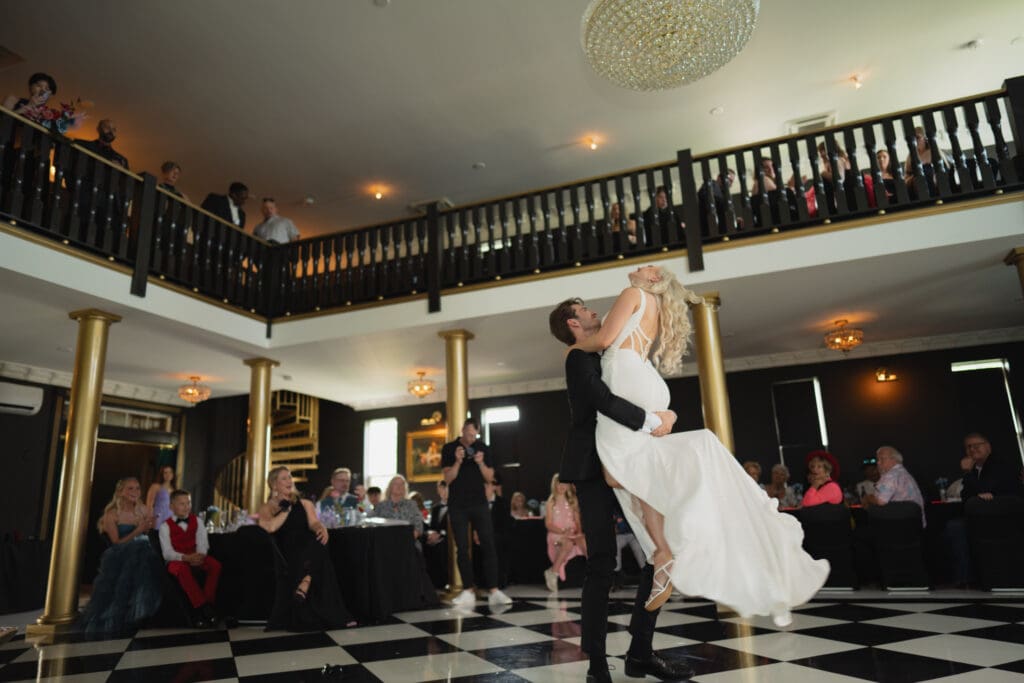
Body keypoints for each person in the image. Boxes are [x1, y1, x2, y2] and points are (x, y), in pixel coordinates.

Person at [559, 264, 828, 627]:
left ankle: (667, 549)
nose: (640, 266)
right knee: (639, 470)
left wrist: (572, 351)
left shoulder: (632, 295)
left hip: (626, 377)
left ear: (653, 279)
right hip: (643, 377)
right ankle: (666, 547)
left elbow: (606, 339)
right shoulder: (651, 302)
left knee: (619, 471)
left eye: (648, 267)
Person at [548, 293, 691, 683]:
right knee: (602, 563)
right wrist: (650, 420)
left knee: (655, 550)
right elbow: (601, 400)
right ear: (573, 324)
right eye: (585, 311)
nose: (595, 312)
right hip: (594, 468)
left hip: (631, 458)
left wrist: (668, 413)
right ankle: (597, 665)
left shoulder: (612, 351)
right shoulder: (577, 357)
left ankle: (640, 654)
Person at [258, 466, 353, 631]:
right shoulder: (268, 507)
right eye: (284, 478)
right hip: (287, 551)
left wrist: (320, 527)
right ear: (274, 485)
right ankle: (309, 582)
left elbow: (313, 523)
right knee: (318, 552)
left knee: (320, 540)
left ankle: (305, 581)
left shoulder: (305, 503)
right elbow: (270, 527)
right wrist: (286, 509)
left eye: (289, 477)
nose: (289, 481)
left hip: (308, 546)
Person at [441, 418, 512, 609]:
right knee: (462, 548)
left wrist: (480, 463)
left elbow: (490, 477)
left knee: (488, 544)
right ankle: (468, 591)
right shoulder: (449, 448)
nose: (472, 439)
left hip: (479, 503)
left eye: (475, 435)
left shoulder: (483, 448)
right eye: (469, 434)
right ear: (463, 429)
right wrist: (457, 461)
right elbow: (447, 478)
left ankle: (494, 590)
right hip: (457, 505)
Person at [80, 477, 163, 634]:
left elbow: (149, 533)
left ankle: (147, 614)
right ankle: (129, 616)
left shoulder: (144, 509)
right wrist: (138, 530)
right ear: (120, 492)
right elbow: (117, 543)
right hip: (122, 552)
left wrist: (149, 528)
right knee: (140, 558)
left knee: (150, 556)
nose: (135, 492)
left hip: (146, 549)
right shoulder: (111, 515)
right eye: (130, 488)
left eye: (137, 488)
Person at [158, 489, 221, 627]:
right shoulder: (165, 526)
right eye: (181, 504)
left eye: (188, 503)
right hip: (176, 560)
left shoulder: (197, 521)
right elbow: (167, 553)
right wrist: (185, 558)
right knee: (182, 570)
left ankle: (208, 602)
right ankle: (201, 608)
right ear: (171, 506)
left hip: (195, 556)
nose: (186, 507)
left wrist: (199, 555)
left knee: (215, 565)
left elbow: (203, 543)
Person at [861, 446, 926, 526]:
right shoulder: (903, 473)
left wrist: (868, 498)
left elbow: (881, 501)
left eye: (882, 459)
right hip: (914, 526)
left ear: (894, 459)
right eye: (878, 459)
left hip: (898, 526)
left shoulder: (891, 475)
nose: (878, 463)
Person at [544, 474, 586, 591]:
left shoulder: (572, 501)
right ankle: (553, 572)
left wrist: (577, 531)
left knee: (584, 541)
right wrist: (562, 531)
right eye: (559, 483)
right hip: (557, 534)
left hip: (572, 533)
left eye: (564, 483)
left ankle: (594, 574)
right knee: (567, 544)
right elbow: (548, 524)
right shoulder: (551, 502)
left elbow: (577, 522)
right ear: (555, 484)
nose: (562, 486)